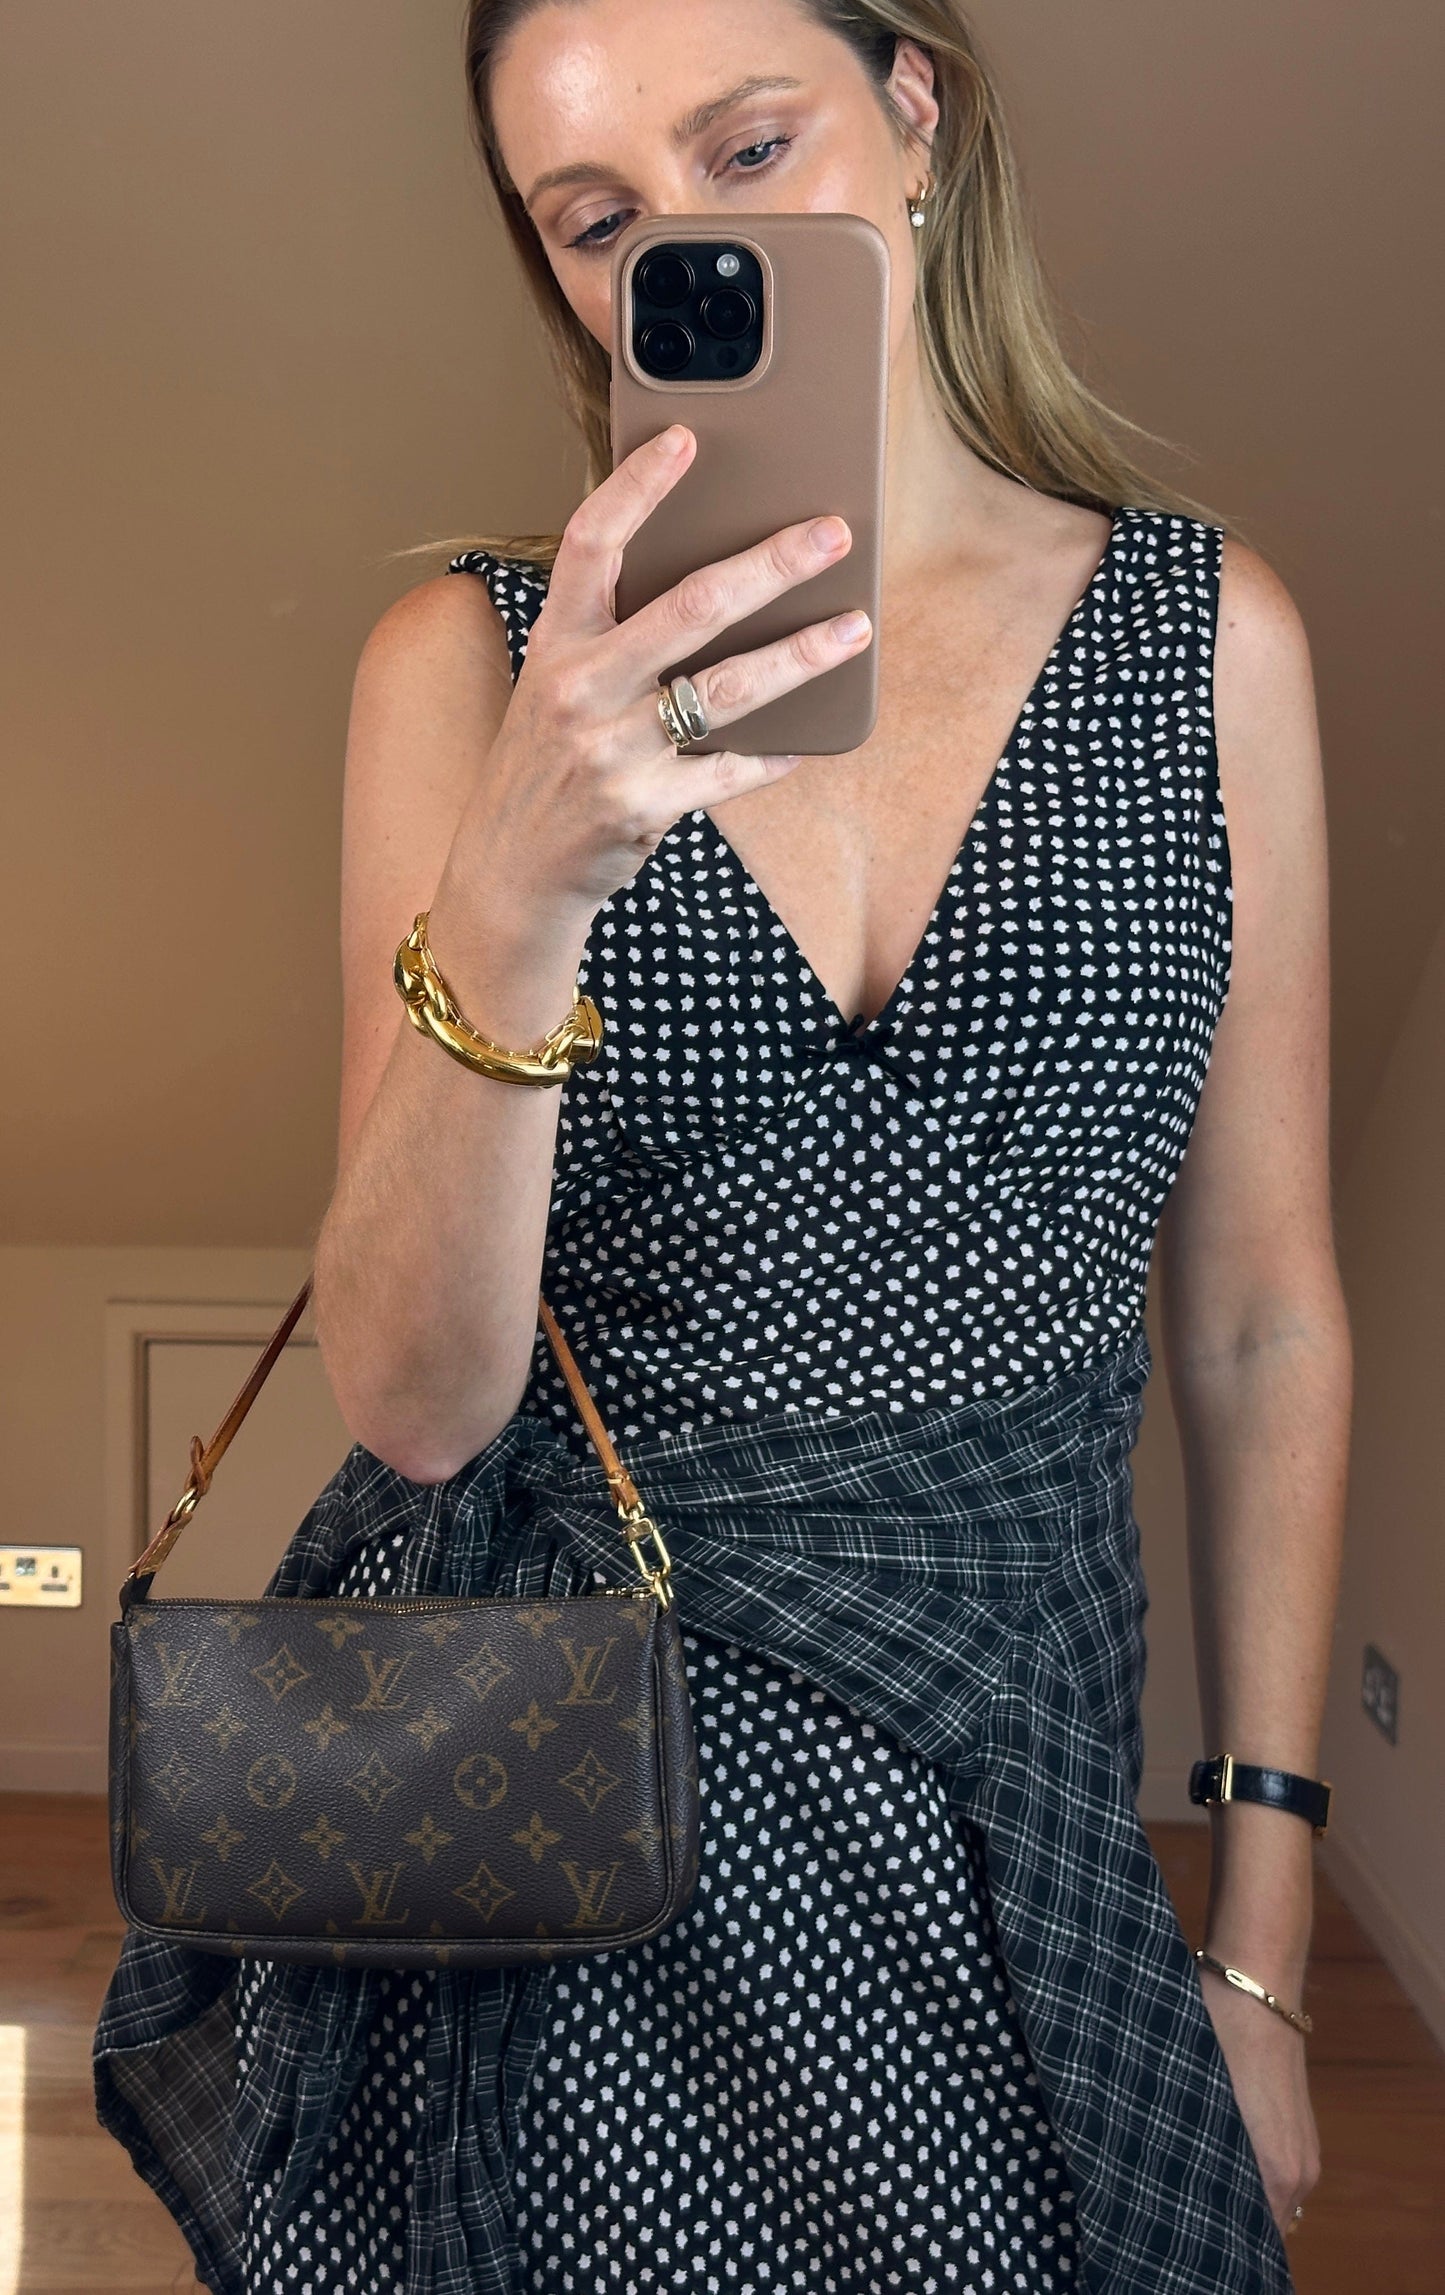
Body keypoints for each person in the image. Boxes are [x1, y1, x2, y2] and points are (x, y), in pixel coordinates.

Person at [95, 2, 1352, 2289]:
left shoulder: (1209, 642)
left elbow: (1265, 1322)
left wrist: (1262, 1941)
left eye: (751, 144)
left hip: (1014, 1784)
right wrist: (525, 874)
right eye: (597, 219)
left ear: (916, 109)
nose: (689, 247)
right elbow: (413, 1396)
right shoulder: (467, 670)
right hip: (558, 1804)